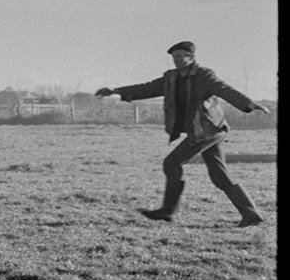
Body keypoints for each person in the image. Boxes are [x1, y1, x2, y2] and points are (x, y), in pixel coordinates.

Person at [96, 41, 268, 227]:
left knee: (172, 162)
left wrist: (248, 104)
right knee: (219, 175)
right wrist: (115, 92)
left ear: (191, 58)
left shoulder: (204, 75)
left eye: (181, 57)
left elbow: (224, 89)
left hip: (208, 130)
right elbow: (147, 88)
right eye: (174, 57)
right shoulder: (171, 77)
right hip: (202, 131)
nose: (177, 61)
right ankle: (251, 215)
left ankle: (168, 211)